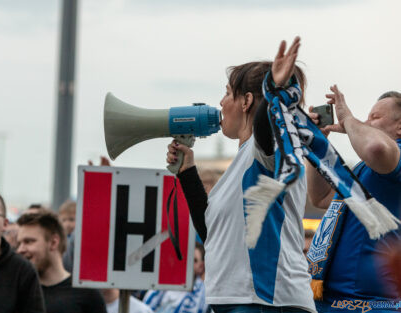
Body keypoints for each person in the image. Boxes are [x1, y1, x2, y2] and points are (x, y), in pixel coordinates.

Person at [166, 37, 315, 312]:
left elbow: (267, 125)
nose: (221, 102)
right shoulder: (242, 163)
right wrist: (188, 172)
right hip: (240, 300)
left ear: (246, 101)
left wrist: (273, 91)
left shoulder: (265, 148)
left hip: (267, 301)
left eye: (226, 93)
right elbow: (213, 234)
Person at [306, 88, 401, 309]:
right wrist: (318, 142)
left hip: (370, 304)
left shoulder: (393, 158)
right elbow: (321, 197)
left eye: (375, 117)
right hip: (330, 301)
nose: (366, 123)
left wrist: (348, 119)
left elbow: (376, 148)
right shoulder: (365, 168)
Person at [17, 210, 107, 313]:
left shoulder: (87, 294)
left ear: (53, 242)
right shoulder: (18, 291)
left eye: (28, 241)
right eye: (19, 243)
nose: (20, 249)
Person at [143, 243, 208, 313]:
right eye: (186, 257)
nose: (188, 263)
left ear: (201, 266)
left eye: (194, 260)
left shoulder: (204, 294)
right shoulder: (162, 283)